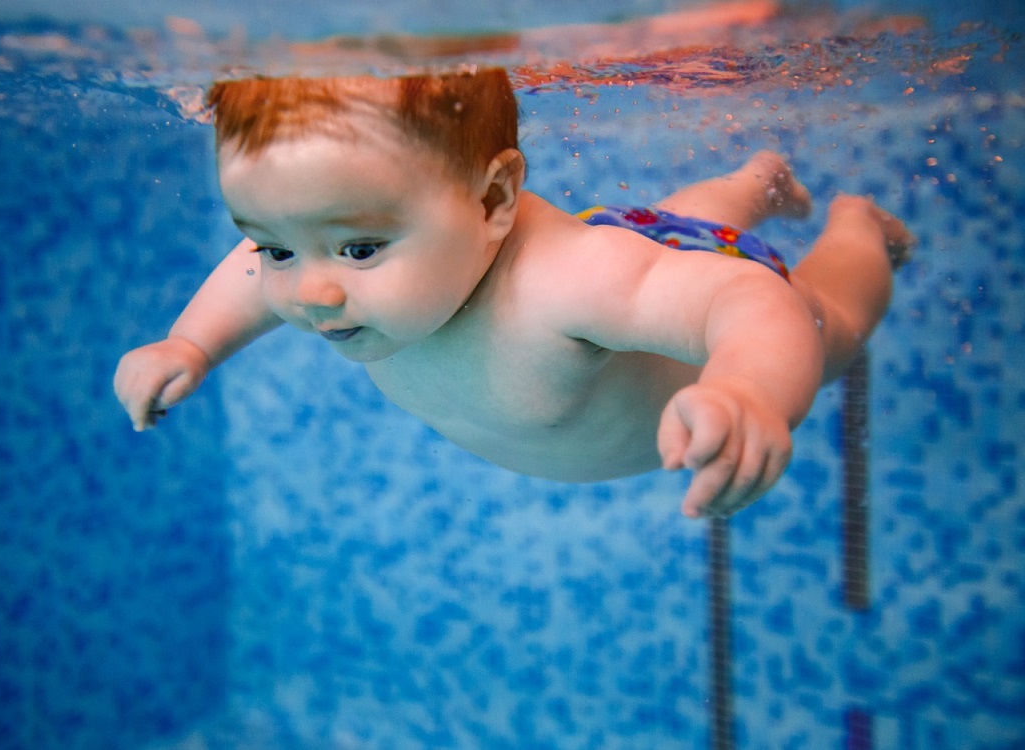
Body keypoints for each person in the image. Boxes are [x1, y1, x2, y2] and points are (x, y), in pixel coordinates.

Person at [113, 68, 913, 519]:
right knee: (674, 227)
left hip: (662, 271)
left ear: (493, 201)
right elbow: (248, 274)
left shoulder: (561, 283)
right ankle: (753, 181)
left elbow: (746, 304)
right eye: (277, 244)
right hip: (638, 242)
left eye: (359, 247)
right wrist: (190, 344)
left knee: (830, 323)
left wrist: (748, 387)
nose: (307, 290)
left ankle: (857, 231)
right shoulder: (331, 274)